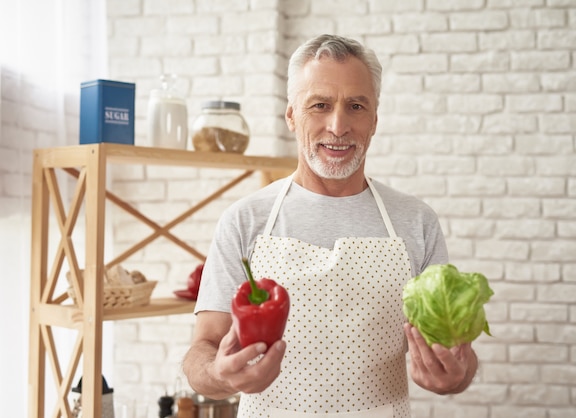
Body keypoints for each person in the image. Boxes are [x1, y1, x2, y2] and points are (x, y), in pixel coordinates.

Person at [182, 34, 478, 418]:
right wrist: (220, 374)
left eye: (356, 106)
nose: (338, 126)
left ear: (374, 119)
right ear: (291, 115)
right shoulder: (245, 220)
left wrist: (456, 376)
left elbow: (458, 352)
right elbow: (202, 349)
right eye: (319, 105)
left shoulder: (416, 222)